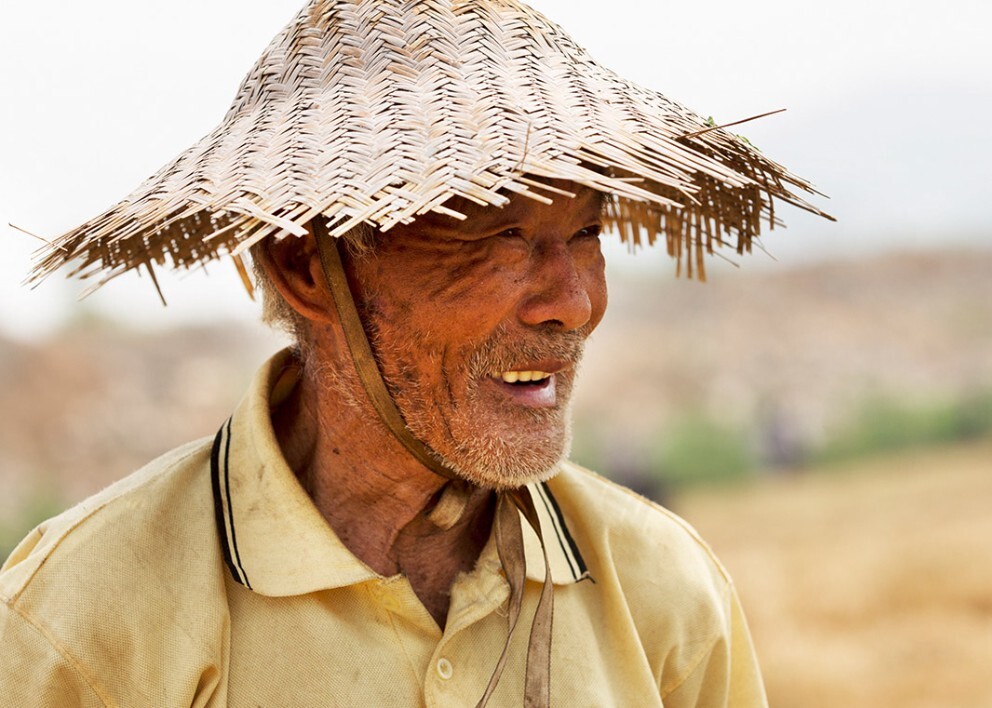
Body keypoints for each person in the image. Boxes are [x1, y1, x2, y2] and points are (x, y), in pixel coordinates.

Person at [1, 0, 828, 705]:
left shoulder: (662, 591)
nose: (573, 303)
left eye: (584, 234)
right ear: (305, 268)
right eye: (501, 238)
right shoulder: (83, 619)